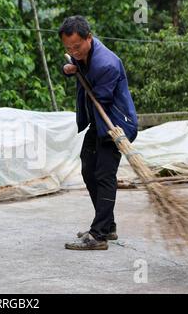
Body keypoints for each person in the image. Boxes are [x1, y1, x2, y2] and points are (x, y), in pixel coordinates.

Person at [59, 16, 138, 250]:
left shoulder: (106, 64)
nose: (73, 51)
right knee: (88, 167)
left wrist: (79, 70)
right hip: (99, 122)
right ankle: (108, 225)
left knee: (104, 174)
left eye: (77, 47)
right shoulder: (82, 52)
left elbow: (101, 99)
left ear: (89, 38)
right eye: (68, 48)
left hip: (115, 125)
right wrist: (69, 69)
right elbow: (76, 66)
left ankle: (99, 235)